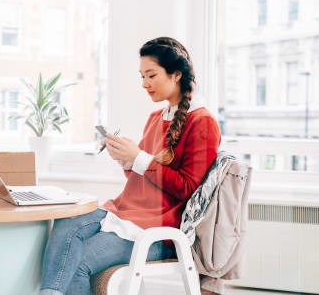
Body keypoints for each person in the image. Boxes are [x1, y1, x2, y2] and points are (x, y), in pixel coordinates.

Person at [39, 37, 221, 295]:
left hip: (158, 230)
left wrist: (138, 158)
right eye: (141, 76)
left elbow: (188, 189)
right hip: (126, 213)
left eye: (151, 75)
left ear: (176, 74)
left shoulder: (202, 122)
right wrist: (126, 159)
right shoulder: (155, 118)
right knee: (66, 220)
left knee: (76, 264)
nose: (144, 84)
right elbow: (145, 180)